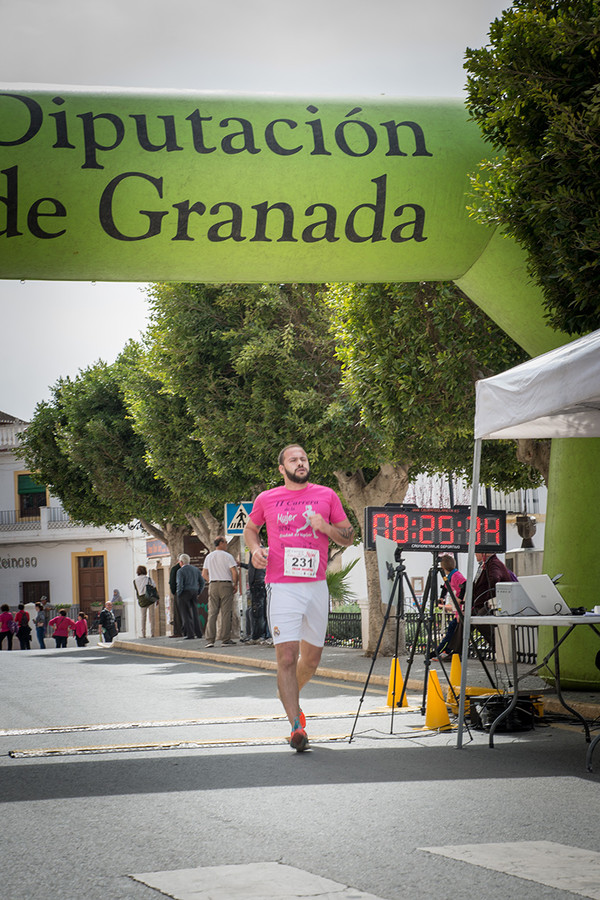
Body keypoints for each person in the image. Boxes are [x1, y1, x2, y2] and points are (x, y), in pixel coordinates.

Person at [243, 444, 354, 752]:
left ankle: (288, 693)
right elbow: (251, 529)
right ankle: (296, 726)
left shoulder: (327, 495)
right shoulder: (267, 498)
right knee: (287, 659)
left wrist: (326, 527)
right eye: (293, 459)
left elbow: (349, 535)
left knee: (313, 659)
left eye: (304, 458)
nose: (300, 462)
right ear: (282, 469)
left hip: (317, 585)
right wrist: (255, 551)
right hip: (282, 586)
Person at [202, 539, 239, 647]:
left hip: (213, 585)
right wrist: (235, 584)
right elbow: (234, 572)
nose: (226, 544)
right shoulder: (227, 556)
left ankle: (210, 640)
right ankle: (225, 639)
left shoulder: (209, 556)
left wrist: (211, 581)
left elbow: (204, 574)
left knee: (212, 612)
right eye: (225, 542)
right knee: (226, 613)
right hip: (225, 585)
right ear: (221, 543)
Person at [430, 553, 466, 661]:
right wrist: (441, 598)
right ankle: (444, 651)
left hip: (461, 610)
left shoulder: (456, 576)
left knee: (451, 630)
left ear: (443, 567)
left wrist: (460, 600)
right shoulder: (450, 577)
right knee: (452, 630)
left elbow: (465, 585)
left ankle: (440, 651)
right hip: (458, 611)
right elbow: (446, 587)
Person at [240, 548, 268, 643]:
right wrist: (241, 564)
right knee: (255, 611)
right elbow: (252, 566)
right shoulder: (259, 551)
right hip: (258, 582)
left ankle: (258, 636)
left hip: (257, 583)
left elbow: (256, 566)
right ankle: (258, 635)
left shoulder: (257, 551)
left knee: (257, 612)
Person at [176, 554, 205, 640]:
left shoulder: (180, 571)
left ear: (181, 562)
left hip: (185, 592)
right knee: (195, 613)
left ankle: (190, 634)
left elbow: (180, 584)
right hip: (194, 592)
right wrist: (199, 591)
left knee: (186, 613)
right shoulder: (195, 569)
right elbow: (202, 582)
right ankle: (199, 633)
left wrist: (179, 593)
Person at [133, 565, 156, 638]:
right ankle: (152, 633)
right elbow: (154, 587)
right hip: (150, 599)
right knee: (152, 616)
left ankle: (143, 633)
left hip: (142, 600)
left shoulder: (135, 581)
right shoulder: (148, 579)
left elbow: (137, 591)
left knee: (143, 617)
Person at [169, 560, 185, 637]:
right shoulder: (190, 568)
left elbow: (172, 582)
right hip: (189, 593)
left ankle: (178, 632)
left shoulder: (175, 569)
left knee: (177, 613)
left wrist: (174, 592)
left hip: (178, 592)